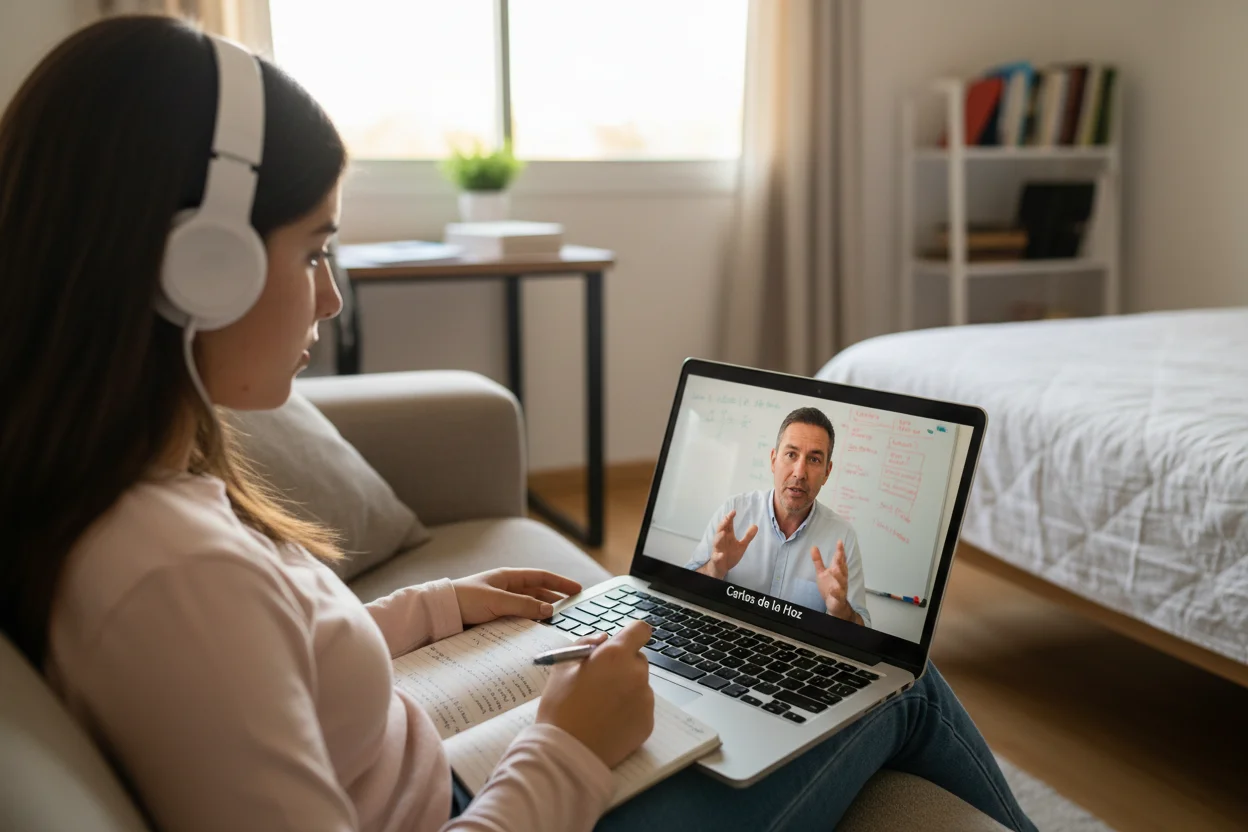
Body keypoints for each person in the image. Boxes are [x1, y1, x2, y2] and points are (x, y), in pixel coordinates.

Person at [0, 16, 1035, 832]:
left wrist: (435, 606)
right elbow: (223, 635)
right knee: (892, 680)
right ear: (199, 265)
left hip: (446, 789)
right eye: (314, 249)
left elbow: (263, 672)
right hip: (494, 805)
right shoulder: (172, 577)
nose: (329, 299)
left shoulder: (130, 503)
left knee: (842, 661)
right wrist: (569, 747)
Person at [685, 407, 871, 626]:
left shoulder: (842, 537)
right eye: (791, 455)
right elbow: (682, 592)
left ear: (827, 472)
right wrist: (714, 569)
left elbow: (863, 629)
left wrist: (841, 610)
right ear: (773, 460)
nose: (800, 473)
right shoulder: (734, 512)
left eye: (813, 460)